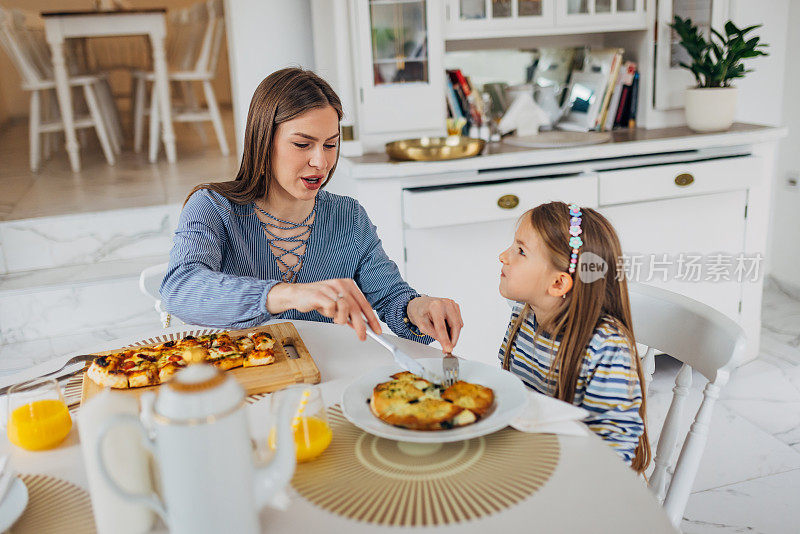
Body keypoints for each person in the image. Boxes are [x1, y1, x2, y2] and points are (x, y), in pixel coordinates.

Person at [160, 67, 463, 350]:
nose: (321, 162)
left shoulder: (348, 218)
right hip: (241, 385)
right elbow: (181, 287)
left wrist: (420, 308)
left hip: (324, 385)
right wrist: (290, 293)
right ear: (263, 142)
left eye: (330, 145)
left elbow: (391, 297)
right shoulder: (213, 207)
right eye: (303, 145)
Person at [497, 201, 650, 472]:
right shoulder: (524, 314)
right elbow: (515, 397)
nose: (503, 256)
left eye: (520, 251)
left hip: (584, 480)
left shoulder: (606, 347)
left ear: (558, 283)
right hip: (534, 460)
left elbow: (614, 454)